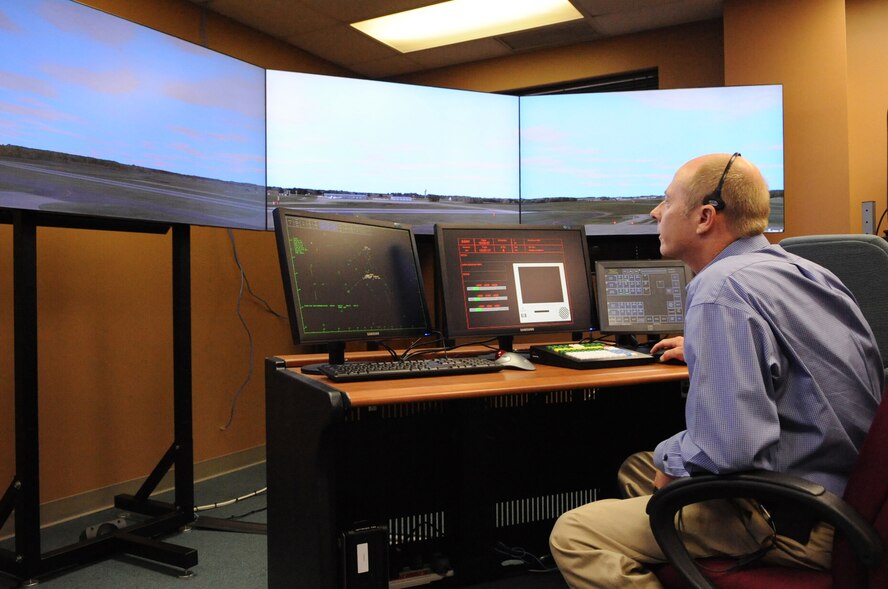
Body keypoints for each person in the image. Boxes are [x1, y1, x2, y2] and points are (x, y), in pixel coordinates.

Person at [549, 153, 884, 588]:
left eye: (667, 202)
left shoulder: (719, 291)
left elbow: (732, 450)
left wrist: (673, 455)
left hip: (798, 522)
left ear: (705, 217)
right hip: (853, 499)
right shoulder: (808, 271)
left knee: (575, 533)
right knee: (637, 466)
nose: (655, 212)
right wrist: (711, 347)